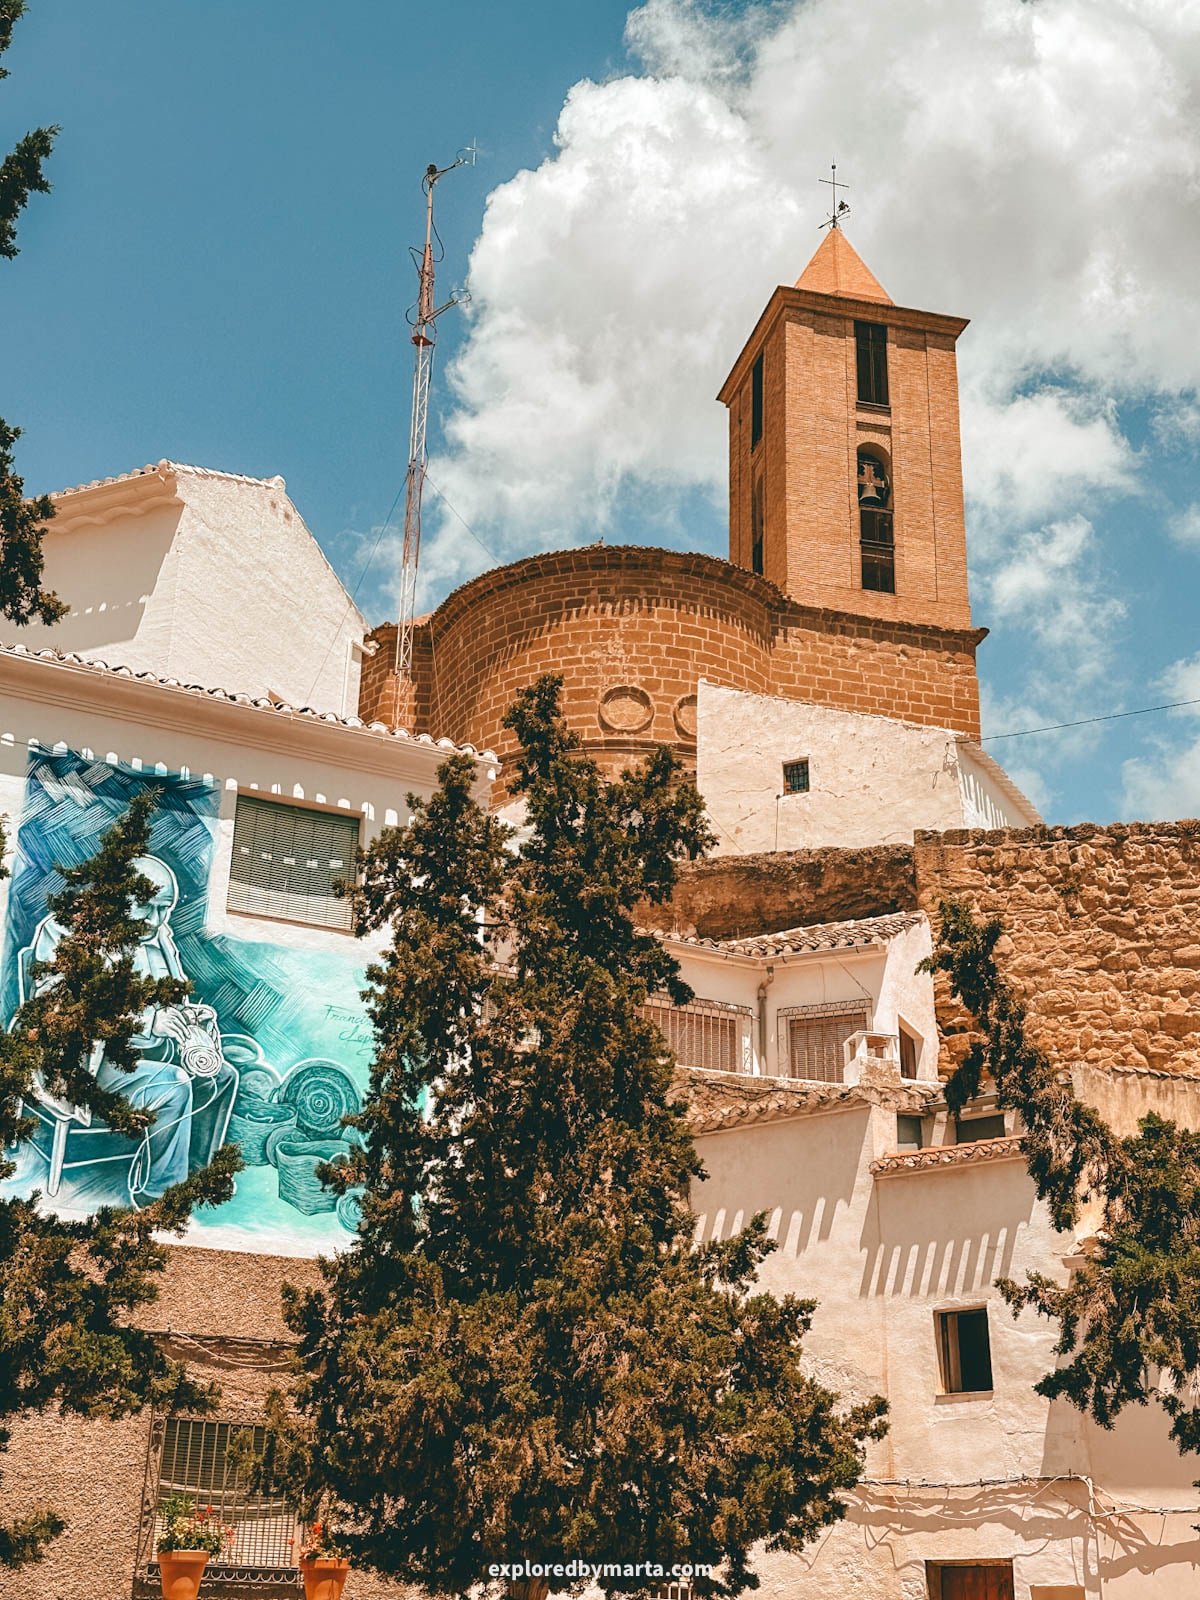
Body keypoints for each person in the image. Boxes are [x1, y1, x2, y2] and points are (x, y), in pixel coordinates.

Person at [24, 855, 238, 1201]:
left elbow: (173, 992)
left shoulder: (158, 934)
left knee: (221, 1076)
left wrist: (188, 1017)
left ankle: (194, 1173)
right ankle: (161, 1194)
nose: (155, 920)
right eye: (146, 906)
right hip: (84, 1064)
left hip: (139, 1055)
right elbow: (65, 1013)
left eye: (164, 909)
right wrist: (149, 1022)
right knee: (176, 1086)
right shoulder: (66, 930)